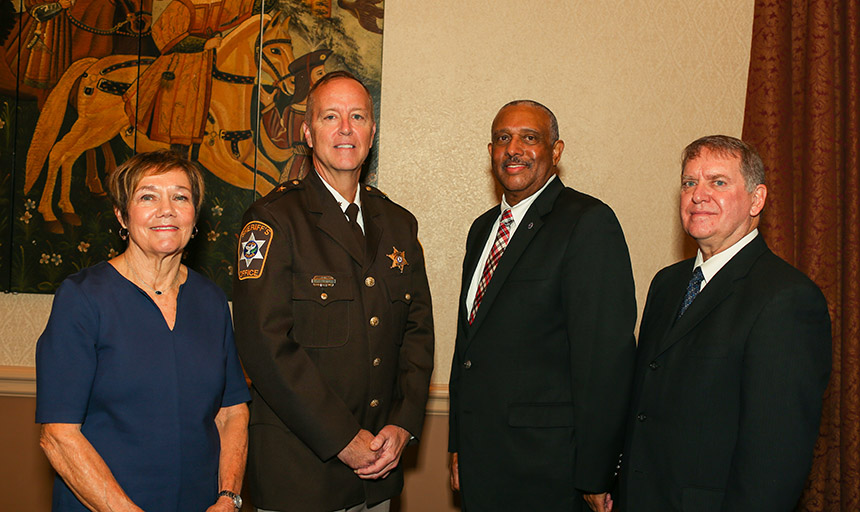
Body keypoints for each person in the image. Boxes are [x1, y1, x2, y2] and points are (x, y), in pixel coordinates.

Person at [232, 70, 434, 512]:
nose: (346, 128)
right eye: (330, 117)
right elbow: (264, 347)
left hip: (378, 473)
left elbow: (417, 336)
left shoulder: (399, 224)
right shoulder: (272, 221)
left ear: (372, 131)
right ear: (307, 132)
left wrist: (403, 424)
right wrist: (343, 438)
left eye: (357, 116)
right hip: (300, 478)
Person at [616, 135, 832, 512]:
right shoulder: (666, 284)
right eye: (689, 182)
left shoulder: (788, 299)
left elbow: (774, 460)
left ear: (757, 199)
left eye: (717, 182)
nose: (698, 195)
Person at [448, 100, 637, 512]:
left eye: (529, 138)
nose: (513, 148)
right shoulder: (482, 230)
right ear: (491, 152)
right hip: (484, 461)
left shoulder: (587, 223)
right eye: (502, 139)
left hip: (550, 471)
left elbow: (605, 360)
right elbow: (469, 345)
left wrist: (596, 471)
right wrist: (460, 444)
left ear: (556, 151)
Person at [35, 150, 250, 512]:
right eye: (148, 196)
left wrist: (228, 498)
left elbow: (232, 412)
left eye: (180, 197)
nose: (166, 209)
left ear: (194, 216)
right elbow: (57, 436)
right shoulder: (83, 298)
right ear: (122, 215)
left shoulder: (211, 301)